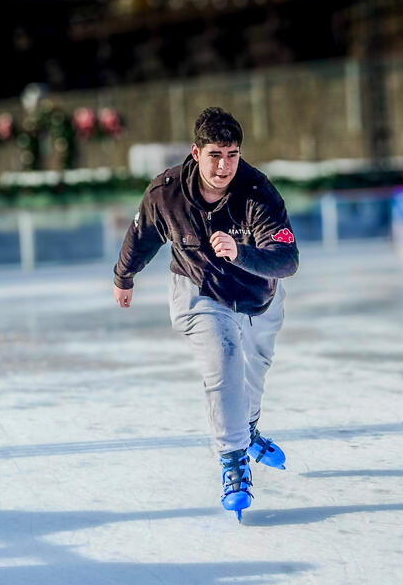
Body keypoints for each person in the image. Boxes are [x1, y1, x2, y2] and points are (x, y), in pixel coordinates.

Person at [113, 107, 298, 521]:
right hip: (199, 290)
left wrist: (242, 253)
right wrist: (123, 275)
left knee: (254, 369)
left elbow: (287, 258)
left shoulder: (258, 192)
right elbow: (142, 235)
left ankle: (246, 428)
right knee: (224, 360)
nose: (223, 166)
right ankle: (234, 462)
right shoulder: (166, 193)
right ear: (196, 153)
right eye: (215, 155)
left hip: (258, 296)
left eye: (232, 155)